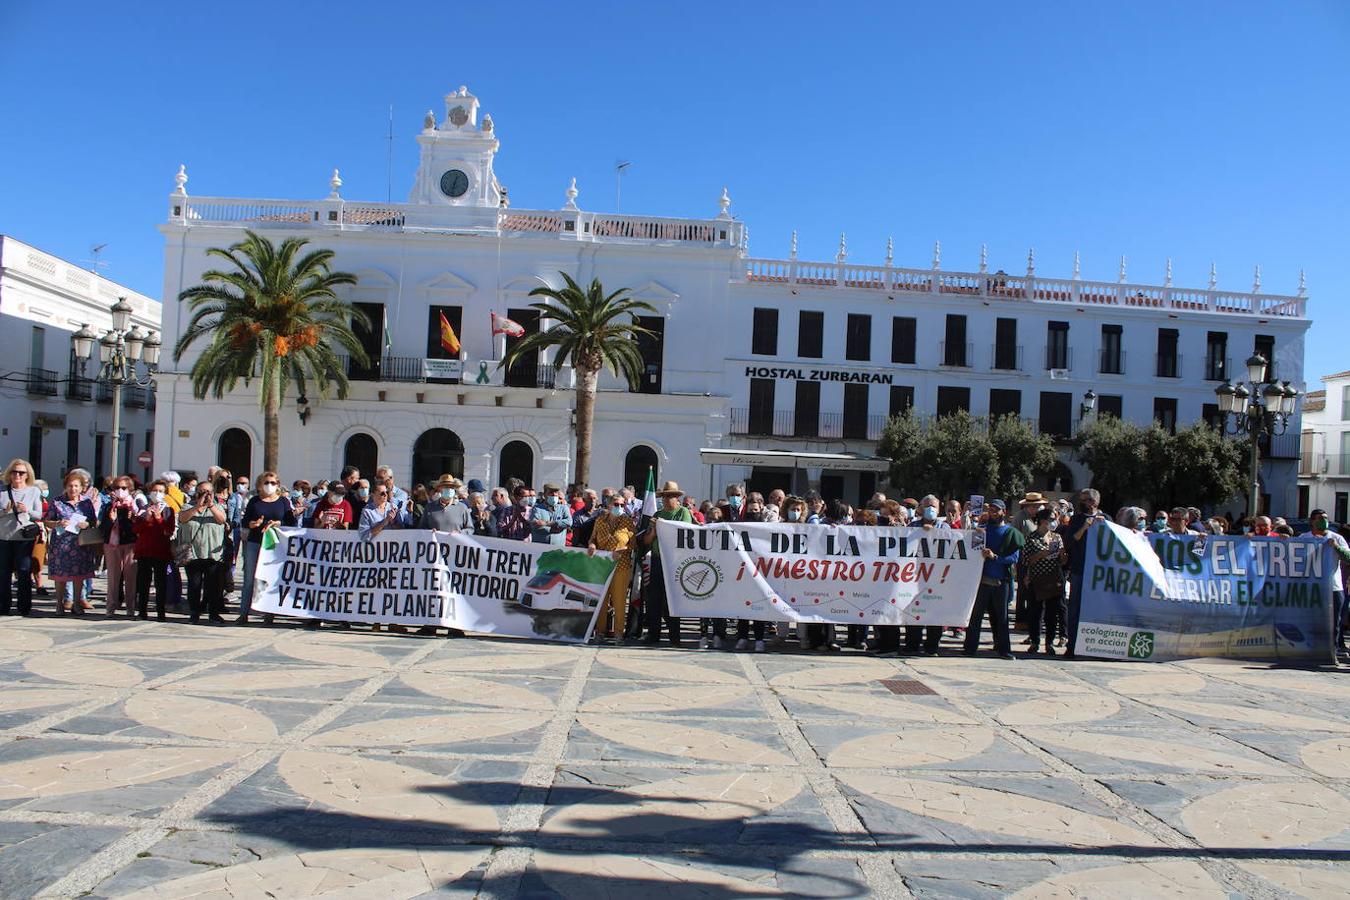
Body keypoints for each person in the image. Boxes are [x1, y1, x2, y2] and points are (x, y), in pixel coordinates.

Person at [963, 498, 1023, 659]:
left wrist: (995, 557)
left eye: (997, 510)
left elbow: (1014, 558)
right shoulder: (981, 530)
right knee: (975, 617)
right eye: (991, 510)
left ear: (1004, 512)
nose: (993, 513)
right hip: (981, 581)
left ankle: (1004, 650)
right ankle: (970, 648)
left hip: (1001, 582)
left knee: (1002, 618)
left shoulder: (1011, 533)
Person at [235, 471, 295, 624]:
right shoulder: (255, 501)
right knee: (249, 578)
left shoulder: (283, 501)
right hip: (255, 542)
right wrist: (253, 524)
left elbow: (291, 522)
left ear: (278, 485)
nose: (269, 485)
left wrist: (278, 523)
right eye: (266, 482)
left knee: (271, 578)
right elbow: (245, 521)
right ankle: (243, 613)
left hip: (275, 544)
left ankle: (269, 613)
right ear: (260, 484)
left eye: (273, 483)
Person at [642, 480, 691, 645]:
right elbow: (647, 540)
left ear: (677, 498)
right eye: (664, 496)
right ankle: (653, 634)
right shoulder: (657, 515)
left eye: (670, 496)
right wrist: (654, 531)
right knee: (654, 598)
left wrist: (663, 526)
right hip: (658, 559)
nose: (666, 499)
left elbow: (684, 532)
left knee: (672, 599)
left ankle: (674, 636)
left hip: (675, 561)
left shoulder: (683, 512)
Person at [44, 469, 100, 615]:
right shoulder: (57, 501)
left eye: (76, 486)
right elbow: (47, 521)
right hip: (61, 545)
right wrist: (58, 523)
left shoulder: (86, 503)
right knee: (60, 576)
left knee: (78, 576)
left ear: (82, 488)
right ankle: (59, 604)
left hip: (80, 544)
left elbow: (93, 521)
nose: (73, 489)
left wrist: (86, 524)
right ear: (65, 486)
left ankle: (77, 603)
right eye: (70, 485)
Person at [1060, 488, 1105, 659]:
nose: (1082, 503)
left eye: (1085, 500)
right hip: (1080, 570)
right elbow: (1070, 541)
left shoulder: (1106, 519)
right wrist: (1085, 527)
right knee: (1075, 609)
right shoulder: (1077, 519)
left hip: (1099, 573)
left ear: (1094, 502)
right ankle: (1072, 646)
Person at [899, 495, 947, 656]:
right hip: (915, 577)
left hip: (937, 577)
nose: (930, 509)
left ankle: (932, 646)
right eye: (927, 506)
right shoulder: (913, 526)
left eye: (933, 506)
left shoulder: (945, 527)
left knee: (935, 612)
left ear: (939, 509)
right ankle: (912, 644)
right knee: (914, 611)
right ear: (920, 509)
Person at [589, 493, 637, 644]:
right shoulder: (600, 520)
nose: (619, 507)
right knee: (601, 601)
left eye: (622, 505)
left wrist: (621, 550)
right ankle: (600, 632)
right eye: (616, 504)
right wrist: (592, 545)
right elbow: (593, 538)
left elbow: (633, 544)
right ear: (609, 505)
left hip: (621, 566)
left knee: (619, 601)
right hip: (601, 566)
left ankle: (618, 634)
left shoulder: (627, 522)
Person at [178, 481, 228, 624]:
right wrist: (197, 506)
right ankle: (194, 612)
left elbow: (222, 520)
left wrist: (210, 505)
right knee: (194, 585)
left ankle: (213, 613)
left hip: (212, 554)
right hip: (193, 554)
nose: (205, 495)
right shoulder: (188, 506)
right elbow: (182, 518)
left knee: (213, 586)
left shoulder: (218, 507)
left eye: (208, 492)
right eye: (201, 492)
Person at [0, 458, 42, 616]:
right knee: (3, 573)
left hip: (24, 539)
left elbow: (39, 514)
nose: (17, 475)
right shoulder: (2, 491)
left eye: (21, 472)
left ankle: (24, 606)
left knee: (24, 572)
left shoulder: (34, 491)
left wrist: (27, 510)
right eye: (14, 472)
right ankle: (3, 605)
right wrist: (5, 511)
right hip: (4, 537)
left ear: (27, 475)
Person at [1022, 507, 1066, 655]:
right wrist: (1041, 554)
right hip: (1037, 578)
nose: (1054, 522)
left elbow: (1062, 561)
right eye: (1051, 519)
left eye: (1055, 519)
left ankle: (1049, 643)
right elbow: (1026, 560)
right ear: (1042, 521)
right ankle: (1035, 641)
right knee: (1036, 612)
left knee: (1052, 613)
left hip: (1054, 578)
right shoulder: (1032, 538)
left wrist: (1062, 554)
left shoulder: (1056, 537)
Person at [132, 480, 176, 620]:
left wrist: (158, 518)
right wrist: (147, 518)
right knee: (143, 583)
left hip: (161, 551)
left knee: (161, 583)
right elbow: (136, 529)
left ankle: (160, 612)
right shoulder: (143, 510)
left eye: (161, 491)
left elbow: (169, 531)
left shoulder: (168, 511)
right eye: (155, 490)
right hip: (144, 550)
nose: (157, 493)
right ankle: (142, 611)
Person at [1309, 509, 1350, 659]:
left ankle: (1332, 649)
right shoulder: (1304, 538)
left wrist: (1336, 547)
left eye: (1326, 518)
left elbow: (1348, 558)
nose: (1324, 521)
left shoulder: (1336, 538)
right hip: (1311, 586)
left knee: (1334, 621)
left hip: (1333, 587)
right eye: (1320, 518)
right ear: (1312, 521)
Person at [101, 474, 142, 617]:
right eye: (117, 488)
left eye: (124, 488)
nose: (120, 490)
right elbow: (102, 528)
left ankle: (131, 608)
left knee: (130, 576)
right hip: (112, 544)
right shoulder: (109, 506)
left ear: (130, 489)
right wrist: (111, 520)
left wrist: (134, 518)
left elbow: (140, 527)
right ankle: (111, 607)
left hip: (130, 543)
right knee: (113, 577)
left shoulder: (135, 505)